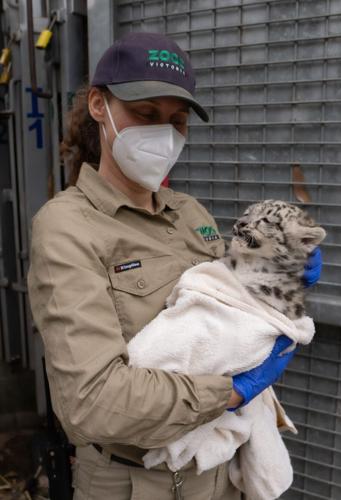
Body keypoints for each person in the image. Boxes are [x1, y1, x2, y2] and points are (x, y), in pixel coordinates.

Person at [27, 32, 322, 500]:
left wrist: (278, 273)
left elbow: (225, 310)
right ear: (100, 106)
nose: (164, 135)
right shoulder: (66, 228)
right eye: (146, 115)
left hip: (223, 464)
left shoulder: (190, 213)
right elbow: (93, 403)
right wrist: (232, 392)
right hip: (134, 480)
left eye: (177, 121)